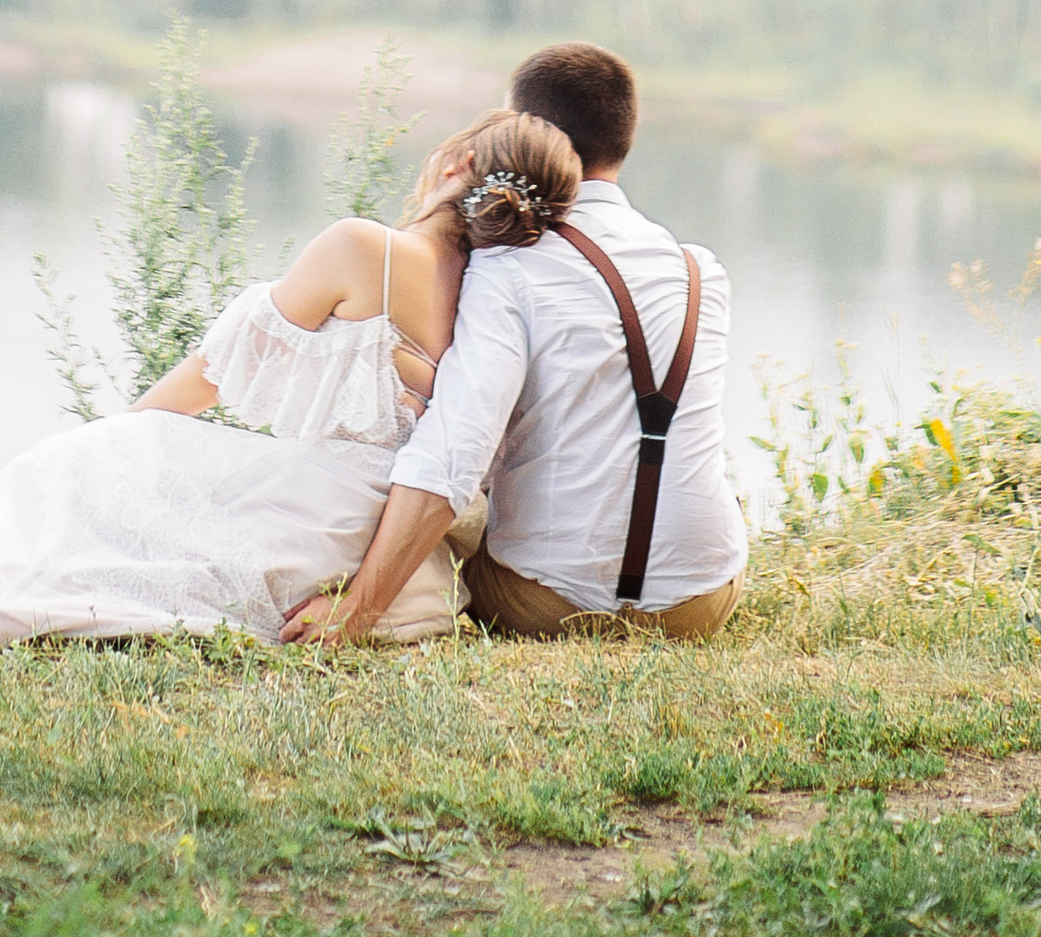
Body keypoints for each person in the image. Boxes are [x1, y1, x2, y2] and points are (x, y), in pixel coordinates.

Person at [0, 109, 578, 648]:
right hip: (387, 538)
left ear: (459, 160)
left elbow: (215, 372)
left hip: (320, 508)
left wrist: (126, 437)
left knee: (87, 467)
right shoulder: (505, 305)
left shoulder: (368, 249)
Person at [280, 39, 745, 644]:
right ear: (624, 139)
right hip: (701, 603)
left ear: (529, 132)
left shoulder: (510, 266)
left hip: (545, 603)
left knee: (451, 549)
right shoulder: (699, 270)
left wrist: (360, 609)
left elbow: (456, 450)